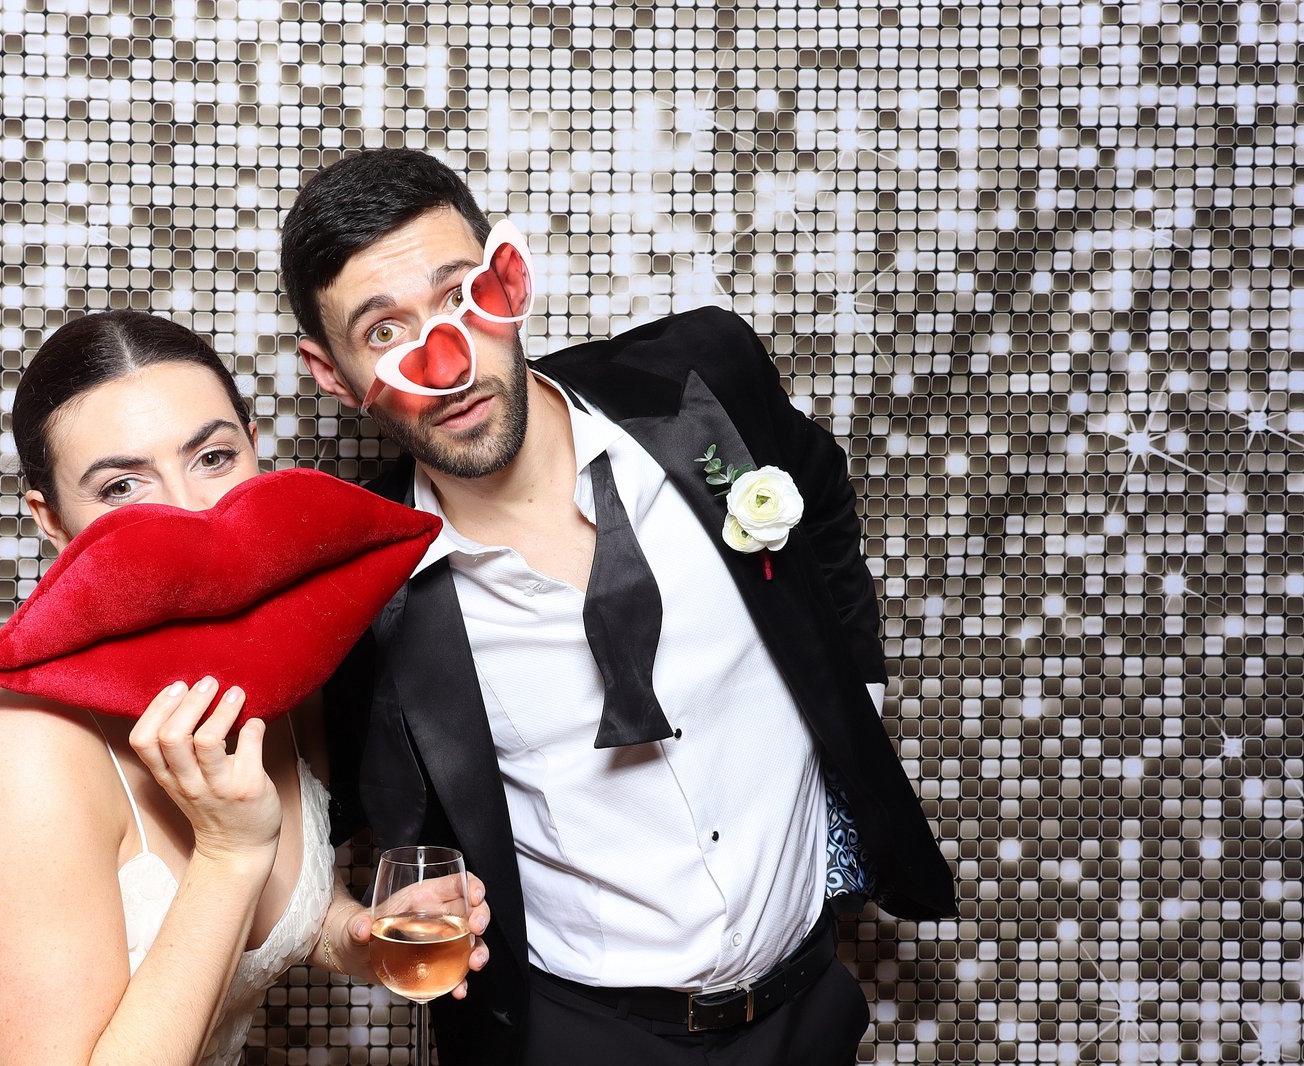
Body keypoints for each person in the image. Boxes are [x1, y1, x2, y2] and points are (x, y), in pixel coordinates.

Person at [281, 148, 957, 1065]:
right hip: (574, 1037)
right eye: (384, 331)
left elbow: (821, 492)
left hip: (808, 1008)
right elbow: (310, 809)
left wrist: (848, 696)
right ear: (331, 374)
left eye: (457, 296)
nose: (446, 362)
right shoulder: (361, 591)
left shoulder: (700, 381)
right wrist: (353, 925)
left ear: (506, 276)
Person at [0, 311, 489, 1065]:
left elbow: (269, 923)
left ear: (256, 452)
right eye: (122, 484)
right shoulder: (14, 745)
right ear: (52, 520)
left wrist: (355, 938)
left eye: (212, 457)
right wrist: (230, 853)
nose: (189, 511)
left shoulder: (276, 673)